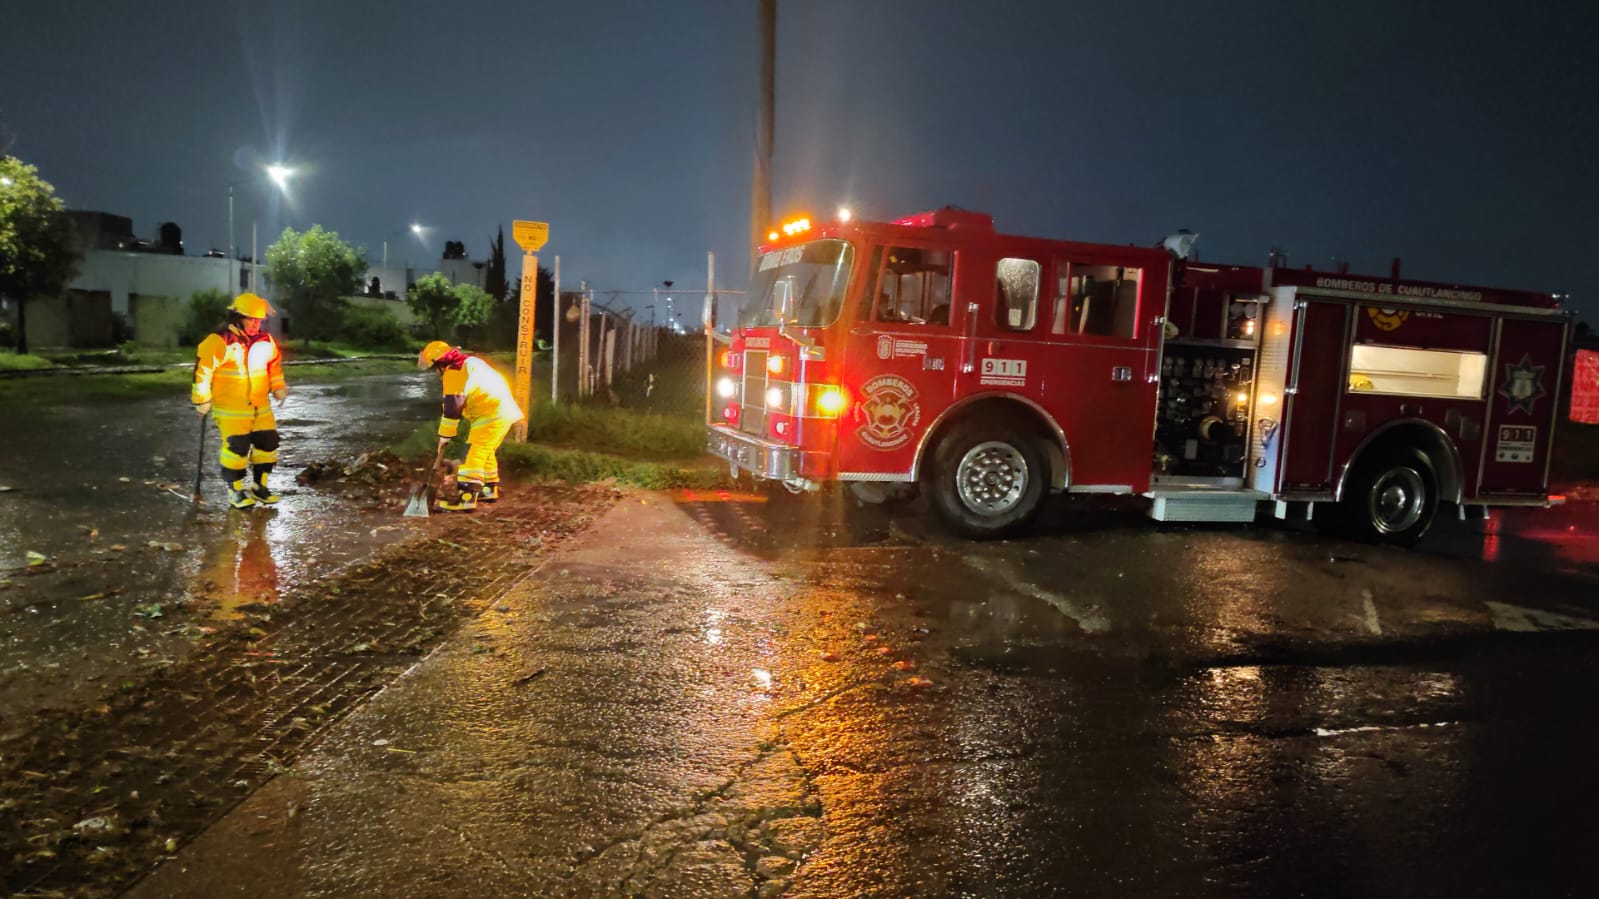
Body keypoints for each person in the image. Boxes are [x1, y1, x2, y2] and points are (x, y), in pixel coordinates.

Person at [192, 292, 287, 510]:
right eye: (250, 319)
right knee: (237, 449)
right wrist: (201, 399)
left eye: (259, 320)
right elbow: (202, 371)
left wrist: (279, 386)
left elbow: (273, 366)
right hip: (231, 409)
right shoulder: (220, 341)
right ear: (237, 317)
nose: (255, 324)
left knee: (269, 443)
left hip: (260, 407)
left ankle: (260, 487)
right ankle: (235, 491)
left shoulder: (265, 341)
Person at [417, 340, 525, 512]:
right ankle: (488, 489)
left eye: (434, 369)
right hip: (500, 410)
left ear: (439, 364)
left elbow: (452, 409)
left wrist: (445, 436)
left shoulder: (454, 373)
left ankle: (466, 498)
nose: (435, 373)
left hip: (491, 414)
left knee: (471, 454)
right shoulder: (470, 361)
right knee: (485, 451)